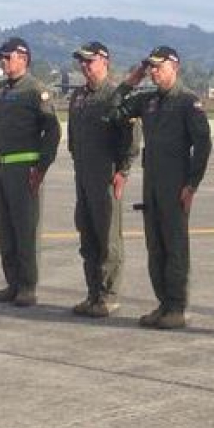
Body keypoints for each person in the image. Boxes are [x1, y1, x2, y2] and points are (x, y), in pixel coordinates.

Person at [110, 45, 211, 329]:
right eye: (150, 67)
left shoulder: (188, 102)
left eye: (158, 67)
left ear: (174, 67)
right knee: (155, 248)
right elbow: (114, 110)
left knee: (175, 247)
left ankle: (177, 307)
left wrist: (192, 184)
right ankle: (163, 303)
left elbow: (203, 145)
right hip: (152, 185)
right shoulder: (148, 100)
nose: (153, 72)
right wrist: (133, 78)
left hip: (175, 184)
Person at [0, 36, 61, 308]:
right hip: (3, 166)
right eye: (1, 58)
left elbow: (52, 130)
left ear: (23, 59)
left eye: (8, 57)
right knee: (5, 229)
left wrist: (41, 167)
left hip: (24, 170)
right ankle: (13, 282)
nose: (3, 62)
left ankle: (28, 285)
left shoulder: (35, 90)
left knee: (25, 228)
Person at [67, 41, 136, 318]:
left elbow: (132, 139)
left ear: (104, 62)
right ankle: (93, 293)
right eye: (81, 62)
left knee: (108, 237)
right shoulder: (78, 97)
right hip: (83, 174)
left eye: (89, 61)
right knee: (88, 236)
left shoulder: (115, 95)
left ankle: (108, 295)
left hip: (106, 176)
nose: (84, 66)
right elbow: (73, 136)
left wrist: (123, 171)